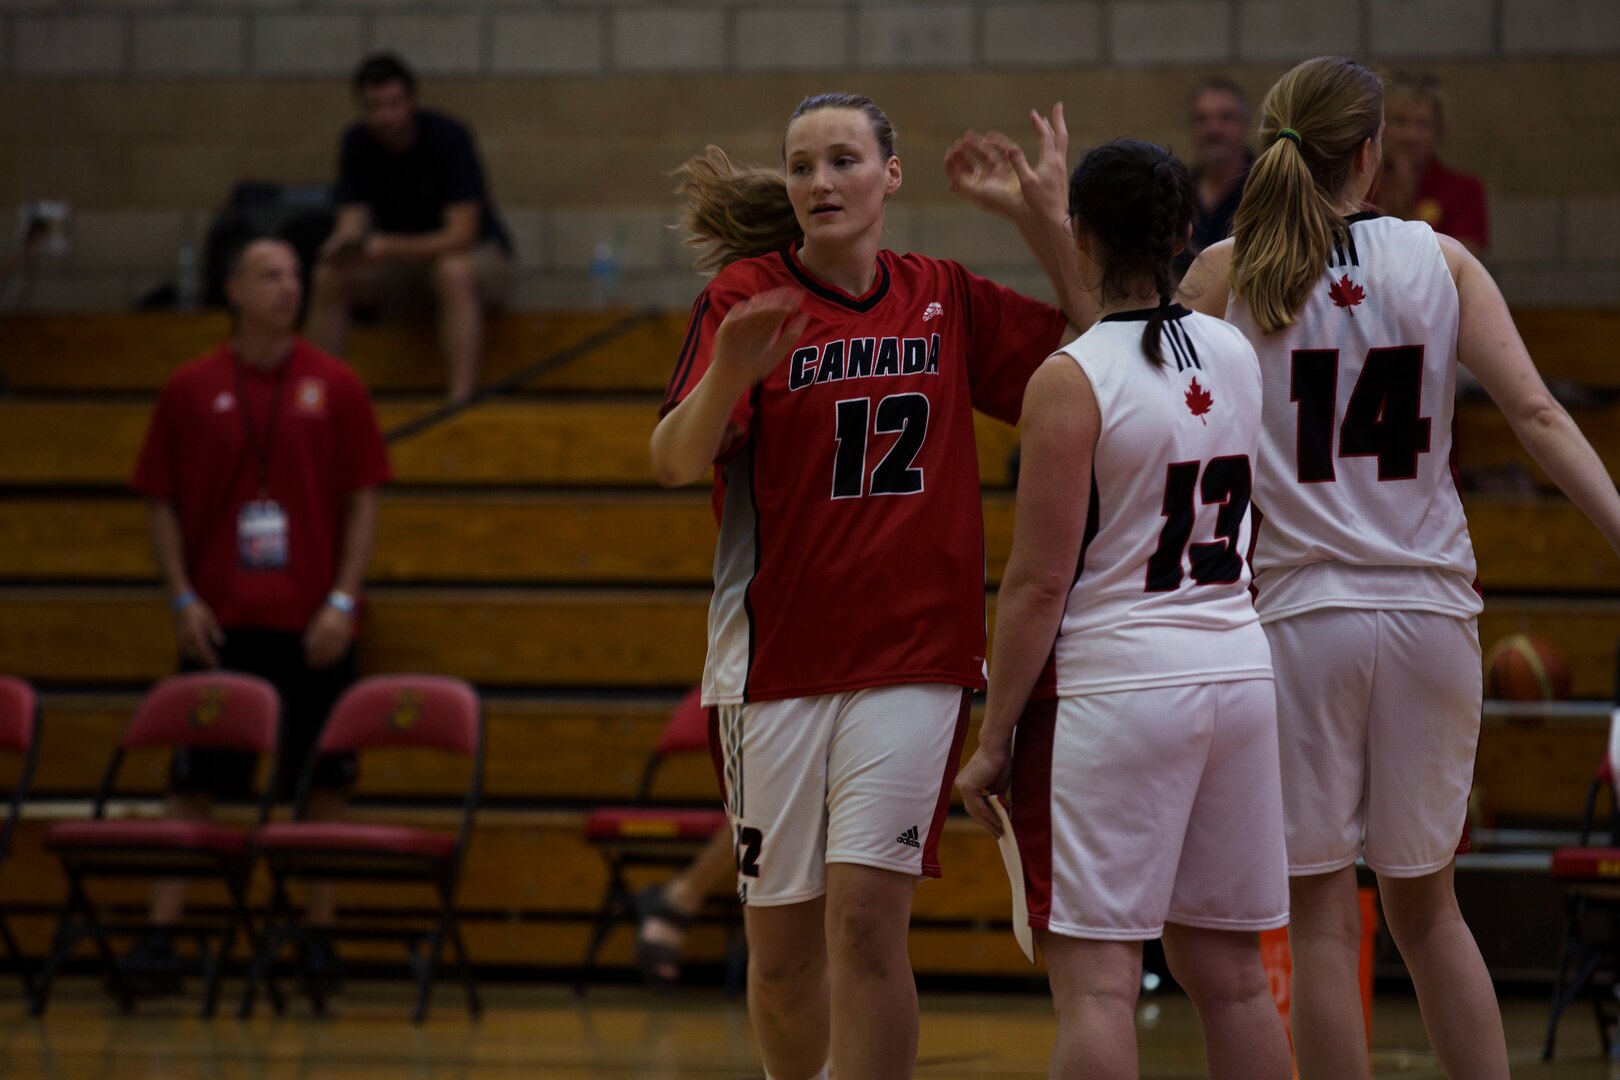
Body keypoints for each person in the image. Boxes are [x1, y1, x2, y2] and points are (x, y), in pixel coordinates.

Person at [1177, 55, 1620, 1079]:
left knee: (1325, 918)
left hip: (1298, 620)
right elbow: (1541, 417)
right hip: (1428, 614)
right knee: (1430, 912)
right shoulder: (1442, 258)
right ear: (1372, 154)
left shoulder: (1222, 275)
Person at [649, 92, 1083, 1080]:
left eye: (842, 161)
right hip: (773, 667)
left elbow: (1095, 352)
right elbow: (674, 459)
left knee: (867, 929)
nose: (818, 183)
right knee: (783, 961)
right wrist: (725, 375)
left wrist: (1037, 220)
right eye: (802, 166)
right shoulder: (744, 298)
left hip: (912, 660)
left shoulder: (945, 294)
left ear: (890, 176)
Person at [955, 139, 1292, 1080]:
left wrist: (993, 737)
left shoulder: (1070, 378)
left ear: (1082, 234)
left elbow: (1036, 583)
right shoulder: (1231, 348)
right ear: (1186, 233)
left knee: (1099, 987)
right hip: (1236, 671)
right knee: (1232, 979)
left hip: (1119, 692)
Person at [129, 237, 392, 989]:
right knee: (194, 782)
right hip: (220, 624)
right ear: (234, 290)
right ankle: (160, 936)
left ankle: (316, 935)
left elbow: (363, 498)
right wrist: (180, 596)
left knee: (325, 786)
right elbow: (160, 501)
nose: (288, 288)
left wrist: (345, 599)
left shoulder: (336, 385)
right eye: (269, 275)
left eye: (295, 276)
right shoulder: (189, 388)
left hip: (316, 625)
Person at [308, 52, 516, 404]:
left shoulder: (448, 136)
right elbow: (351, 220)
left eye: (394, 104)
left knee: (453, 272)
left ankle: (459, 400)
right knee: (329, 275)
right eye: (374, 106)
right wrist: (342, 247)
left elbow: (462, 233)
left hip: (474, 256)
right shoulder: (358, 143)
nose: (386, 116)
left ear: (411, 100)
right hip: (403, 267)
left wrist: (386, 246)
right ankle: (316, 398)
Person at [1372, 72, 1489, 257]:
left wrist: (1405, 211)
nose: (1410, 135)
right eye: (1400, 121)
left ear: (1439, 132)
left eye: (1422, 124)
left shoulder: (1464, 190)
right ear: (1383, 128)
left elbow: (1464, 261)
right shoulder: (1366, 186)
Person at [1175, 76, 1255, 280]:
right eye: (1202, 119)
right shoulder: (1177, 192)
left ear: (1243, 125)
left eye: (1225, 117)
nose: (1213, 130)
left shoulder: (1266, 186)